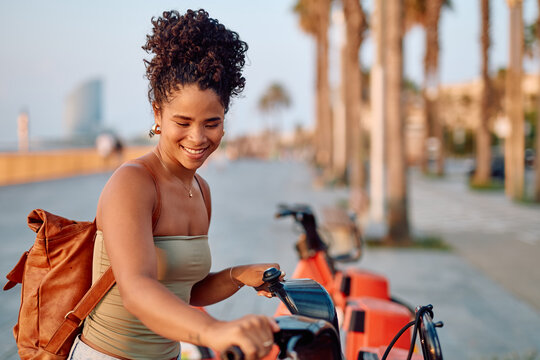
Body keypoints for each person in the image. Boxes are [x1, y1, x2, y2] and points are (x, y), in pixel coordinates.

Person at [69, 9, 281, 360]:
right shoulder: (133, 183)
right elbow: (137, 289)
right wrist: (214, 331)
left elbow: (185, 291)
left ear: (224, 121)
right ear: (157, 114)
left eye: (211, 123)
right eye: (182, 121)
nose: (197, 137)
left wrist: (238, 275)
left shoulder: (202, 191)